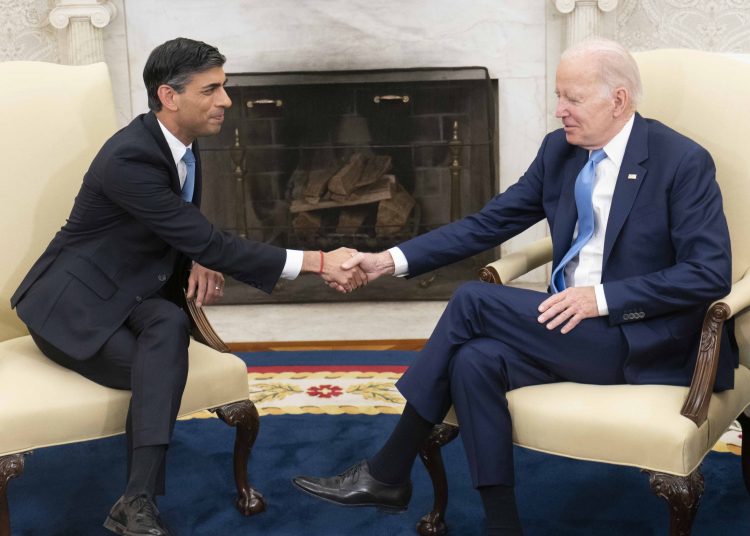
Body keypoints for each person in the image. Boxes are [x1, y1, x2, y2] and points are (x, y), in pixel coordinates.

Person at [292, 37, 738, 535]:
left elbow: (708, 273)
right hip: (567, 330)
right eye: (557, 95)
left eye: (572, 98)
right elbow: (488, 224)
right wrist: (387, 261)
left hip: (643, 339)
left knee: (471, 299)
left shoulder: (681, 161)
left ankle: (388, 470)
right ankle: (502, 526)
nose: (558, 111)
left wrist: (601, 299)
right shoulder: (561, 152)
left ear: (618, 100)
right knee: (473, 359)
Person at [10, 37, 364, 536]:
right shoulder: (129, 158)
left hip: (133, 290)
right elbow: (206, 236)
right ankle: (137, 501)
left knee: (171, 322)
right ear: (169, 96)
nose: (226, 101)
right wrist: (319, 260)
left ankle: (134, 500)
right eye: (212, 89)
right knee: (162, 367)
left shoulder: (180, 144)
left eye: (225, 87)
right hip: (72, 306)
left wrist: (194, 252)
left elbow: (181, 222)